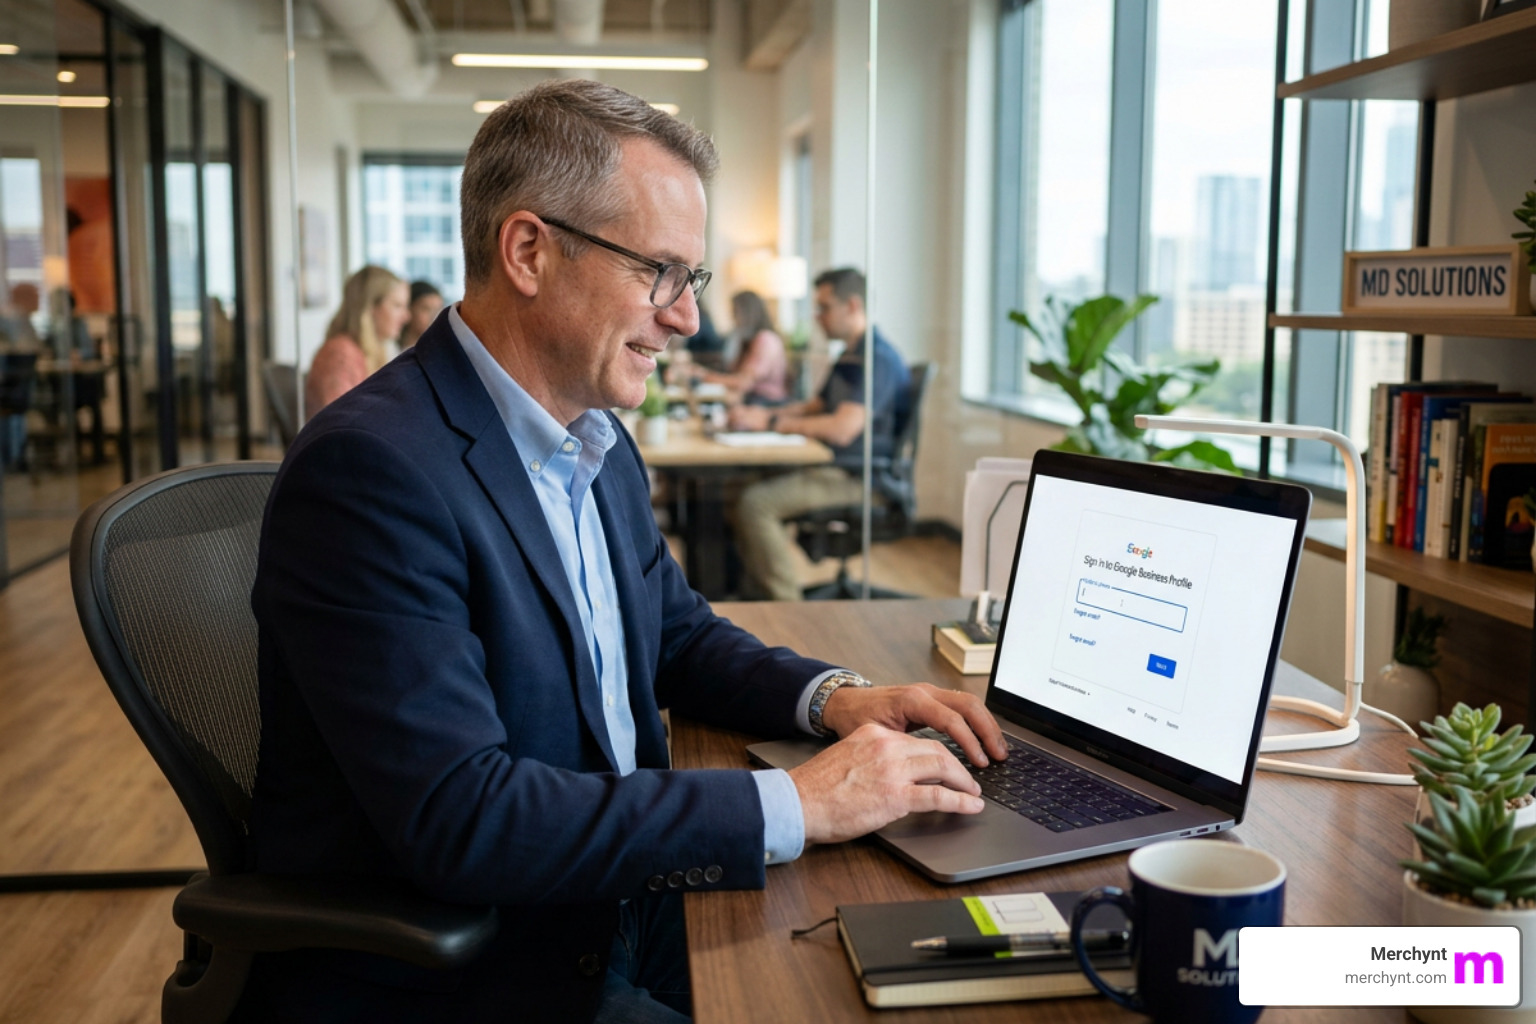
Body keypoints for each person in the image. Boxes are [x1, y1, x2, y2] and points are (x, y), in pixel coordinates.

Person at [246, 80, 1003, 1023]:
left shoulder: (590, 434)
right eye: (661, 271)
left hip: (625, 895)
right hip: (490, 966)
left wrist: (837, 699)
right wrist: (797, 807)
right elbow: (464, 819)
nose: (686, 317)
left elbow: (675, 636)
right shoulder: (371, 471)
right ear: (527, 250)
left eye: (693, 280)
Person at [727, 268, 910, 601]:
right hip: (836, 465)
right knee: (741, 487)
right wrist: (765, 414)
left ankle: (789, 608)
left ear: (852, 306)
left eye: (825, 307)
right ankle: (751, 595)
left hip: (861, 476)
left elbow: (842, 429)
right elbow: (816, 405)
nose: (818, 317)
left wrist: (770, 425)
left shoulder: (877, 359)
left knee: (757, 504)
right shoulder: (851, 355)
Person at [304, 265, 410, 416]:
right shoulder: (341, 353)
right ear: (370, 306)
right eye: (397, 306)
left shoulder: (375, 350)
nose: (406, 317)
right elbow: (341, 424)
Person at [690, 290, 788, 405]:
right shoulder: (749, 339)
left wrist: (703, 375)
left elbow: (743, 382)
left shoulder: (766, 340)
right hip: (753, 399)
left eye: (735, 312)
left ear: (748, 313)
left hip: (766, 403)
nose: (733, 318)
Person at [399, 279, 444, 350]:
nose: (433, 317)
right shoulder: (390, 347)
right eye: (426, 309)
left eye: (437, 310)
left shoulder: (440, 349)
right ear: (409, 308)